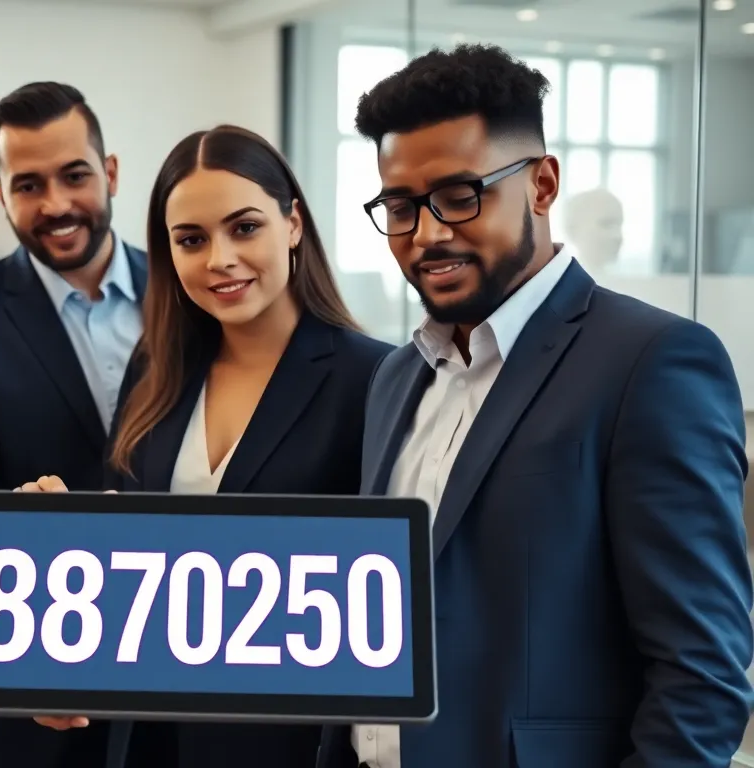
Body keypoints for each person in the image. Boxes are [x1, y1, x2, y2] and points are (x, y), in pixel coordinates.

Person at [315, 44, 753, 768]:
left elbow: (700, 677)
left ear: (543, 184)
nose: (427, 234)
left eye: (461, 195)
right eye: (400, 207)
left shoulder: (653, 363)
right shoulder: (396, 377)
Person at [26, 124, 394, 768]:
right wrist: (64, 535)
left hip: (293, 744)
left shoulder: (374, 379)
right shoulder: (158, 369)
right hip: (150, 738)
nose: (218, 258)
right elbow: (130, 565)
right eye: (191, 240)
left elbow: (385, 598)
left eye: (244, 227)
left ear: (294, 225)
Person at [0, 82, 147, 768]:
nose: (55, 205)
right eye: (28, 185)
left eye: (74, 176)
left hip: (165, 683)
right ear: (0, 196)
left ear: (109, 173)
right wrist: (16, 520)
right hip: (20, 699)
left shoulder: (190, 293)